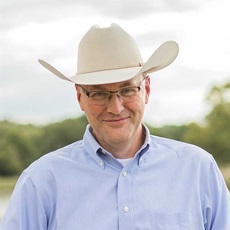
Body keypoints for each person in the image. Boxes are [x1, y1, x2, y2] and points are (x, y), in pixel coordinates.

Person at [1, 23, 229, 230]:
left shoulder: (199, 170)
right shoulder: (41, 181)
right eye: (99, 93)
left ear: (146, 89)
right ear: (80, 97)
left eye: (127, 89)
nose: (116, 107)